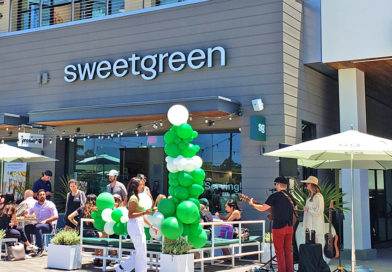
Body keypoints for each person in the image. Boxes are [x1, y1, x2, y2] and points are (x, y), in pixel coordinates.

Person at [250, 177, 297, 272]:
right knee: (288, 251)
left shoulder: (275, 196)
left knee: (279, 252)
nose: (275, 186)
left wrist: (252, 204)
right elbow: (295, 209)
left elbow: (263, 208)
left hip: (279, 227)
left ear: (278, 184)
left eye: (275, 184)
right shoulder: (291, 197)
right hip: (289, 227)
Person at [114, 177, 158, 272]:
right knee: (141, 252)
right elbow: (130, 215)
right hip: (135, 225)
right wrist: (145, 213)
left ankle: (121, 267)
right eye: (141, 184)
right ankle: (126, 268)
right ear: (136, 186)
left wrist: (151, 225)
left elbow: (141, 213)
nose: (143, 186)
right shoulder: (134, 198)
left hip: (138, 224)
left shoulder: (136, 197)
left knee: (140, 251)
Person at [68, 194, 105, 266]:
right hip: (91, 235)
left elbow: (70, 217)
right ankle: (99, 258)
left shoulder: (81, 208)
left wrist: (78, 225)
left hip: (80, 234)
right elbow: (96, 225)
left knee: (97, 233)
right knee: (104, 235)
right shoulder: (96, 210)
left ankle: (97, 258)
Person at [25, 189, 58, 256]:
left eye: (43, 194)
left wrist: (45, 220)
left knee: (37, 227)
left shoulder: (50, 204)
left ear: (45, 195)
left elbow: (56, 216)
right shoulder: (34, 205)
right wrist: (26, 213)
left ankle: (40, 248)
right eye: (40, 195)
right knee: (26, 227)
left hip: (48, 226)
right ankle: (28, 247)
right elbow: (28, 213)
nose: (42, 196)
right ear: (37, 197)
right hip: (37, 225)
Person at [302, 176, 325, 248]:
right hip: (309, 224)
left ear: (312, 184)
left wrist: (308, 209)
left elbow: (320, 211)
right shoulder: (309, 196)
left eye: (307, 184)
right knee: (310, 243)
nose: (306, 185)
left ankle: (315, 258)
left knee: (315, 243)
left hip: (315, 224)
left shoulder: (319, 196)